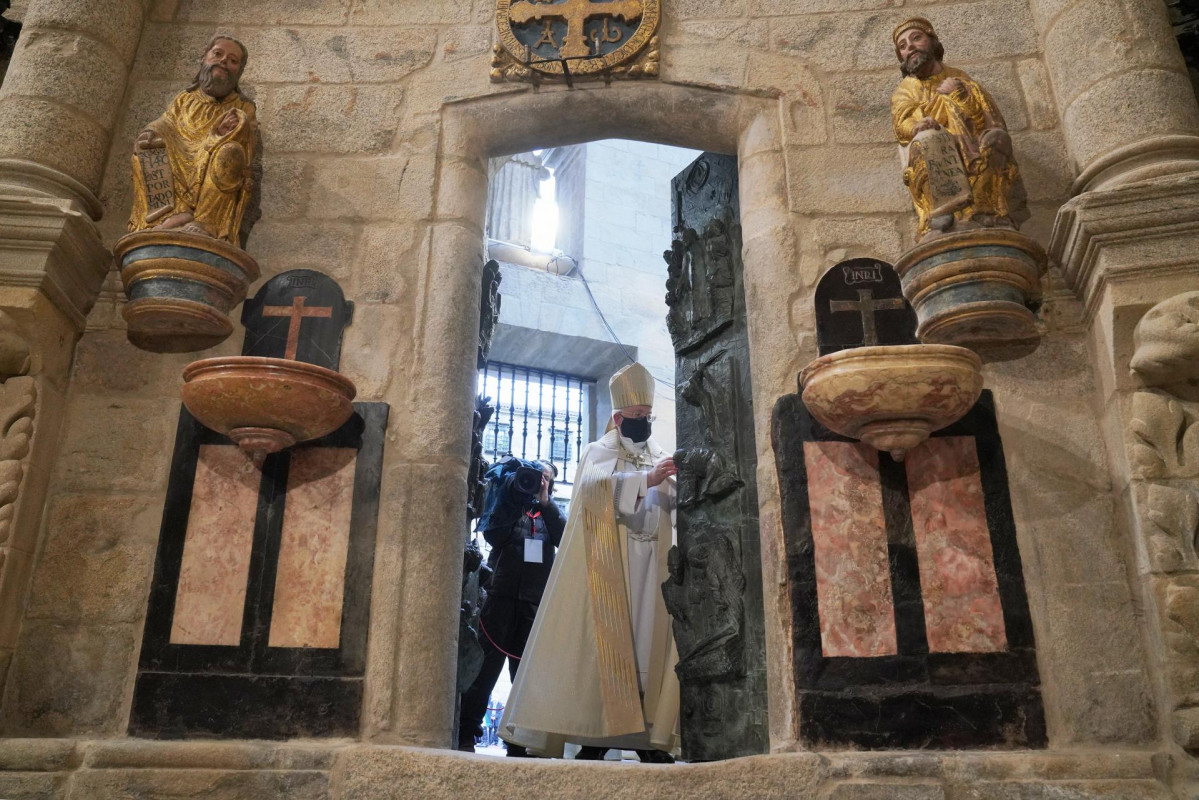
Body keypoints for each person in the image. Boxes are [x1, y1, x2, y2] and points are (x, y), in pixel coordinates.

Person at [500, 362, 679, 763]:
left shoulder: (661, 454)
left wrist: (672, 479)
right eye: (635, 417)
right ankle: (595, 736)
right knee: (611, 647)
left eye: (647, 417)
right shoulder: (599, 452)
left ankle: (647, 739)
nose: (643, 423)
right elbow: (592, 492)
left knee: (647, 646)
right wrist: (646, 481)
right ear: (617, 418)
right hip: (611, 566)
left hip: (652, 564)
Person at [458, 461, 565, 757]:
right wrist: (512, 499)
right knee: (485, 670)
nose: (537, 481)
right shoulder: (509, 504)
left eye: (544, 478)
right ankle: (466, 732)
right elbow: (494, 534)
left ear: (550, 484)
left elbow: (566, 539)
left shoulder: (551, 514)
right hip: (500, 597)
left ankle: (518, 740)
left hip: (534, 602)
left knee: (526, 676)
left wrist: (545, 504)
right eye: (534, 476)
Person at [890, 17, 1027, 240]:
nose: (910, 47)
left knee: (996, 139)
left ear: (932, 42)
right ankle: (944, 212)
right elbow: (901, 124)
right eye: (903, 46)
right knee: (930, 140)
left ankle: (987, 210)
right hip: (933, 144)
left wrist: (959, 94)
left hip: (969, 142)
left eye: (916, 38)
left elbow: (980, 117)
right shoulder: (905, 90)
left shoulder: (959, 77)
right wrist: (918, 125)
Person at [128, 34, 257, 243]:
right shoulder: (185, 98)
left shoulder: (243, 106)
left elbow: (245, 140)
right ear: (203, 58)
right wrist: (150, 133)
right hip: (180, 154)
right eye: (218, 54)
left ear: (239, 71)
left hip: (213, 155)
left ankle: (205, 222)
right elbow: (167, 123)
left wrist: (222, 133)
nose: (224, 61)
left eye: (233, 61)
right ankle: (168, 215)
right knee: (148, 150)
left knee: (230, 153)